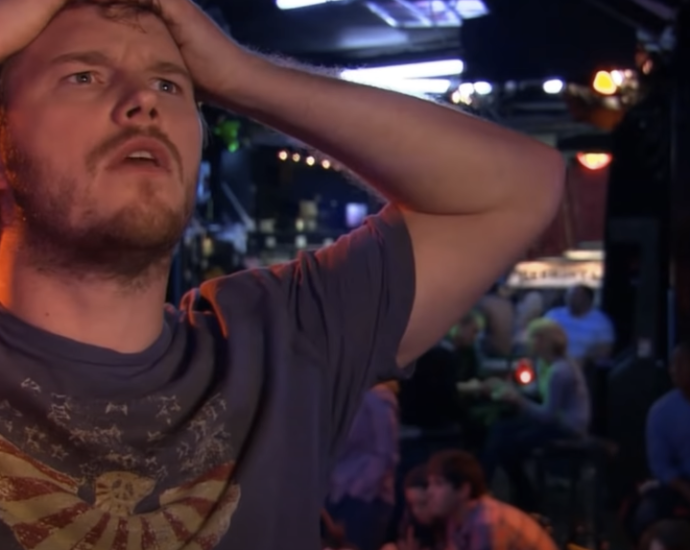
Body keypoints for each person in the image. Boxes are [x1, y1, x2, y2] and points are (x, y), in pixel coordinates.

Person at [0, 1, 564, 548]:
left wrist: (239, 72)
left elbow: (521, 184)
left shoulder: (276, 340)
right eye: (84, 76)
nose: (143, 100)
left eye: (172, 84)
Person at [480, 319, 590, 510]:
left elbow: (547, 415)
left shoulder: (560, 371)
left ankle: (512, 494)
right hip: (555, 422)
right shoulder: (544, 364)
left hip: (568, 428)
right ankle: (518, 494)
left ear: (541, 341)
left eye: (532, 338)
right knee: (501, 430)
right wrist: (508, 388)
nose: (528, 343)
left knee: (506, 442)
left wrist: (518, 400)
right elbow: (535, 391)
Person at [425, 450, 557, 550]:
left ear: (463, 490)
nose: (429, 492)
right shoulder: (455, 516)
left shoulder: (486, 522)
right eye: (429, 484)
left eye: (438, 484)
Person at [327, 383, 400, 550]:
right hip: (335, 492)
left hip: (366, 497)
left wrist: (359, 490)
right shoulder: (336, 394)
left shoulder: (376, 399)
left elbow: (385, 453)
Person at [633, 345, 690, 539]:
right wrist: (684, 488)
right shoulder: (661, 411)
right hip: (680, 484)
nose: (674, 370)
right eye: (673, 364)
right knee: (645, 515)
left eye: (682, 364)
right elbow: (660, 465)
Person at [545, 285, 614, 363]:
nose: (571, 299)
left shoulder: (601, 321)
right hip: (553, 361)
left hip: (585, 365)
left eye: (575, 296)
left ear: (588, 299)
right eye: (569, 295)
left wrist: (582, 359)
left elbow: (605, 350)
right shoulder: (553, 315)